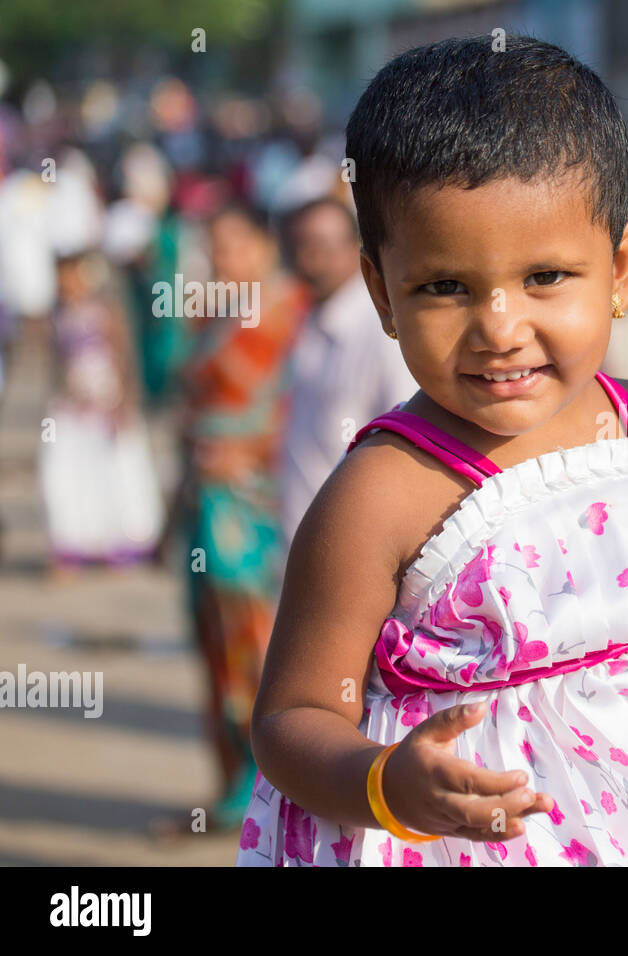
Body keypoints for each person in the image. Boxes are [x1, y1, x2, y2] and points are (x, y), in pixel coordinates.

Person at [236, 36, 628, 867]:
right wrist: (385, 782)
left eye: (546, 277)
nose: (501, 329)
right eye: (444, 287)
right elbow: (291, 718)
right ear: (381, 293)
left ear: (619, 269)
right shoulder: (384, 491)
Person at [166, 201, 310, 834]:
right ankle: (229, 775)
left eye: (233, 247)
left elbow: (307, 403)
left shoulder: (293, 311)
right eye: (214, 248)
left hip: (259, 501)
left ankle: (267, 778)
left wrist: (247, 454)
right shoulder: (212, 311)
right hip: (205, 497)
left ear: (263, 246)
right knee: (213, 635)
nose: (223, 261)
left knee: (255, 632)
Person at [278, 196, 418, 546]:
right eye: (301, 245)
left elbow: (407, 432)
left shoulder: (380, 331)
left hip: (354, 537)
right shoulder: (308, 319)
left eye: (322, 246)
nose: (309, 258)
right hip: (301, 525)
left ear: (354, 249)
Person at [39, 250, 163, 570]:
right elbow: (57, 365)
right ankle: (77, 543)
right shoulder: (58, 316)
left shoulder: (106, 312)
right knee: (72, 474)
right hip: (74, 407)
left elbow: (123, 356)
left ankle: (121, 542)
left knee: (116, 472)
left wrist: (124, 400)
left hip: (108, 402)